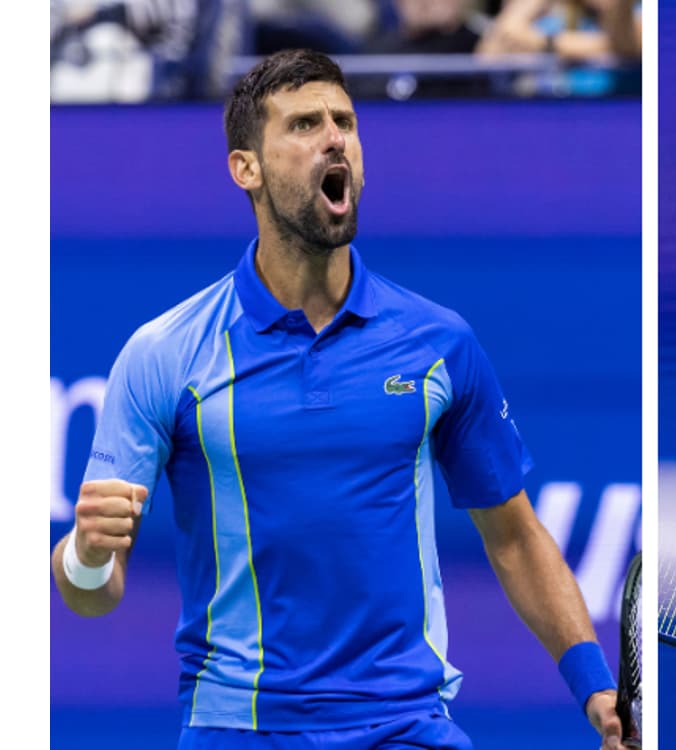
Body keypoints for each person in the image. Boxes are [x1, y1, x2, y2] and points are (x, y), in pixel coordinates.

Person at [50, 48, 629, 750]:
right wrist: (83, 552)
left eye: (345, 122)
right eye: (303, 124)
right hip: (240, 729)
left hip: (407, 726)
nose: (334, 139)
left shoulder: (439, 342)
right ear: (246, 169)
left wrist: (596, 685)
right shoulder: (164, 354)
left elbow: (514, 537)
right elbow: (90, 592)